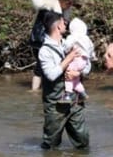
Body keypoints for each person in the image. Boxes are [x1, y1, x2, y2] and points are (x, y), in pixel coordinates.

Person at [38, 12, 89, 149]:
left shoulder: (69, 43)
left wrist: (78, 72)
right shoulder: (44, 51)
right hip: (55, 105)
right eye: (63, 22)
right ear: (58, 27)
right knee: (51, 146)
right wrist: (69, 57)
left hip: (75, 102)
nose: (66, 23)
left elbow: (87, 64)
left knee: (83, 141)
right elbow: (51, 75)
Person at [30, 0, 79, 90]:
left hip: (45, 39)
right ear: (62, 1)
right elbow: (50, 27)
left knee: (45, 66)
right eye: (68, 4)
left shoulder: (60, 10)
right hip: (40, 39)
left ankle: (41, 89)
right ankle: (34, 91)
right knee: (40, 67)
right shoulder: (49, 9)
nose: (70, 6)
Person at [62, 18, 95, 102]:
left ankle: (67, 95)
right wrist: (92, 56)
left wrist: (65, 49)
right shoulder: (87, 39)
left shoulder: (72, 37)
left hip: (75, 60)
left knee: (69, 77)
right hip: (84, 61)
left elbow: (67, 46)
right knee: (75, 80)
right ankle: (83, 94)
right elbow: (91, 50)